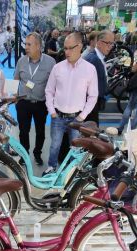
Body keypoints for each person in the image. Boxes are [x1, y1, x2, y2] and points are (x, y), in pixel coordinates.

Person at [44, 32, 98, 175]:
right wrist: (52, 112)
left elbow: (93, 95)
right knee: (54, 146)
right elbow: (49, 90)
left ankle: (72, 173)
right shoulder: (58, 67)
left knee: (76, 148)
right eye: (65, 48)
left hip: (76, 118)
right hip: (58, 116)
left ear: (79, 46)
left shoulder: (89, 69)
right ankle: (51, 168)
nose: (66, 52)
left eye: (70, 48)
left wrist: (82, 116)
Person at [14, 32, 56, 166]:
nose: (26, 47)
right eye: (25, 44)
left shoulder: (50, 62)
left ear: (38, 46)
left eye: (29, 44)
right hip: (23, 103)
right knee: (23, 131)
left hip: (40, 103)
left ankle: (37, 154)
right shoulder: (21, 61)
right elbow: (16, 79)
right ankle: (24, 155)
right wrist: (15, 96)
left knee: (40, 132)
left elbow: (54, 84)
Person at [84, 30, 115, 124]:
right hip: (90, 103)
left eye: (112, 43)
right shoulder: (94, 59)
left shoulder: (97, 57)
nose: (110, 47)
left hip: (93, 102)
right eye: (108, 43)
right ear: (99, 42)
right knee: (91, 130)